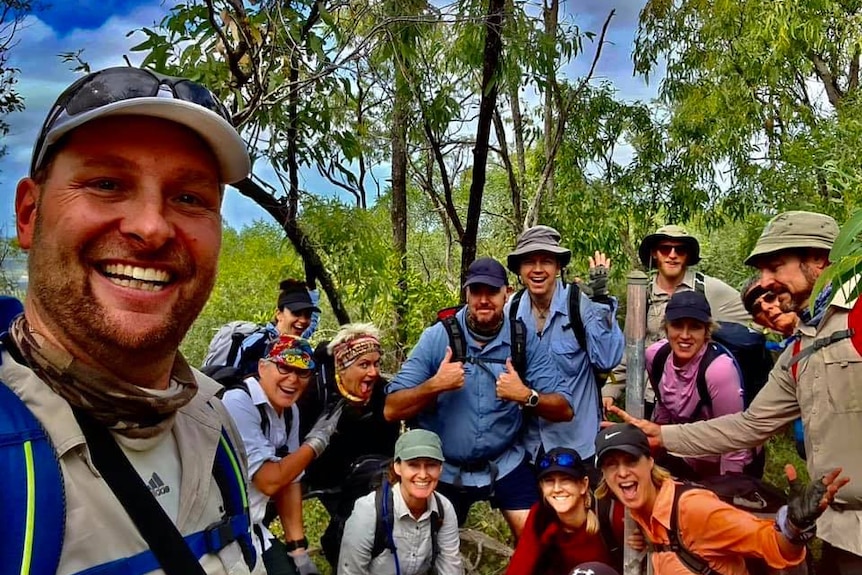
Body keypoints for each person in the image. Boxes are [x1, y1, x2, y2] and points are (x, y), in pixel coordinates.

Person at [4, 66, 262, 573]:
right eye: (106, 183)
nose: (151, 227)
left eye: (189, 198)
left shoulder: (214, 424)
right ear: (29, 214)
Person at [607, 209, 862, 572]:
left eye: (774, 267)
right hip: (839, 533)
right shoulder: (799, 350)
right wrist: (661, 435)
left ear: (818, 261)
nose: (766, 281)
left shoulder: (856, 319)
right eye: (762, 271)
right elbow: (748, 425)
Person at [385, 257, 573, 536]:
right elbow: (391, 409)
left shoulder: (522, 339)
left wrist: (526, 396)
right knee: (426, 547)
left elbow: (565, 408)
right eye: (476, 292)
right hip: (445, 468)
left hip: (504, 461)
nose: (484, 300)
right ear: (467, 294)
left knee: (539, 540)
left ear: (506, 294)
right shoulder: (439, 337)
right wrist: (434, 385)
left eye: (492, 292)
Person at [594, 423, 848, 575]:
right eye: (611, 465)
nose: (623, 472)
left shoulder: (694, 510)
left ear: (650, 461)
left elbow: (770, 542)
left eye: (631, 461)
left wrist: (795, 527)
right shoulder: (642, 512)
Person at [506, 226, 624, 476]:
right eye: (529, 262)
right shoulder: (512, 310)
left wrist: (601, 301)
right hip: (529, 446)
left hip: (577, 443)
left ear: (558, 267)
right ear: (519, 269)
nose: (538, 269)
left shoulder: (578, 303)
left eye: (546, 261)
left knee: (581, 513)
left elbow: (607, 358)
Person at [222, 334, 342, 575]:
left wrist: (298, 549)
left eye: (302, 372)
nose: (293, 379)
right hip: (219, 533)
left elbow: (290, 478)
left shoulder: (290, 411)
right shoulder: (238, 401)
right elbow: (269, 480)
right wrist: (315, 444)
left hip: (252, 528)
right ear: (262, 367)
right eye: (285, 367)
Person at [606, 224, 751, 413]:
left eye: (680, 250)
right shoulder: (643, 294)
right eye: (665, 249)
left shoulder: (708, 289)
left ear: (687, 255)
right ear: (655, 254)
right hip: (651, 398)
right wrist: (610, 390)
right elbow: (631, 349)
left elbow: (756, 315)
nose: (672, 255)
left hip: (697, 402)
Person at [297, 323, 401, 565]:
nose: (373, 372)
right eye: (364, 365)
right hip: (316, 471)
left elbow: (386, 450)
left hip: (363, 474)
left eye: (376, 364)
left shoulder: (382, 394)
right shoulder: (315, 393)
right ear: (342, 367)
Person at [647, 290, 754, 478]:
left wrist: (729, 486)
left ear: (706, 331)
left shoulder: (718, 370)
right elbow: (663, 406)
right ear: (666, 328)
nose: (685, 335)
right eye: (677, 326)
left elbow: (735, 437)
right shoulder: (656, 356)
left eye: (695, 327)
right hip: (682, 453)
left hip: (724, 460)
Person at [337, 429, 463, 575]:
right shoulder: (369, 511)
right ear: (397, 467)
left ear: (441, 468)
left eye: (431, 465)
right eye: (413, 465)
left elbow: (450, 567)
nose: (423, 475)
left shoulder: (444, 508)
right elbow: (350, 571)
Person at [506, 447, 624, 575]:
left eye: (566, 480)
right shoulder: (541, 517)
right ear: (542, 488)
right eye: (549, 481)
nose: (557, 489)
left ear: (583, 485)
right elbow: (520, 566)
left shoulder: (611, 515)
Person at [233, 279, 321, 376]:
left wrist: (313, 289)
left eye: (307, 315)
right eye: (296, 313)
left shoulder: (298, 344)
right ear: (279, 314)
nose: (303, 320)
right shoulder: (257, 343)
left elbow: (312, 324)